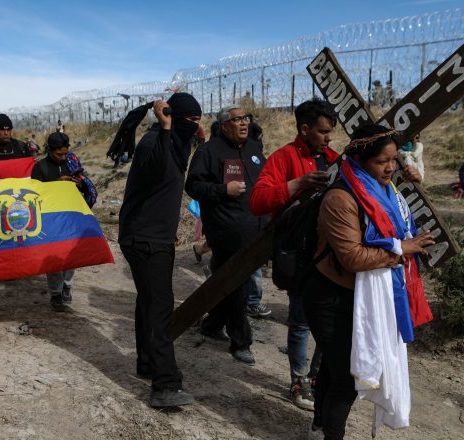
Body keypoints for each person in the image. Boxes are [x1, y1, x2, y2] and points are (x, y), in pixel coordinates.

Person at [301, 125, 435, 439]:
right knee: (349, 378)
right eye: (381, 161)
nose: (390, 167)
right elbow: (352, 258)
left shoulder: (387, 192)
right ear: (360, 160)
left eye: (394, 159)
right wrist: (401, 249)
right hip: (329, 297)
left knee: (335, 371)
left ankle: (319, 428)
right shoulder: (341, 198)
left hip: (361, 296)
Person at [250, 98, 340, 411]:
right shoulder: (283, 157)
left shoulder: (333, 159)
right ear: (304, 129)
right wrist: (297, 184)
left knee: (328, 323)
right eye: (323, 131)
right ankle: (299, 383)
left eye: (331, 132)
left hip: (330, 254)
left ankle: (317, 379)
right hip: (298, 255)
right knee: (301, 322)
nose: (329, 138)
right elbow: (258, 201)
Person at [118, 92, 202, 408]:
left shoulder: (173, 142)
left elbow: (163, 186)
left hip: (155, 237)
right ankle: (165, 385)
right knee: (160, 307)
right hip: (143, 239)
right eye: (191, 121)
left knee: (149, 302)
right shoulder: (153, 143)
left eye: (198, 121)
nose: (195, 127)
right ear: (173, 118)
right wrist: (166, 128)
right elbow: (154, 168)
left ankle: (146, 363)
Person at [185, 105, 267, 365]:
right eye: (237, 120)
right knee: (235, 287)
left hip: (255, 232)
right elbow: (193, 186)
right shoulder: (209, 152)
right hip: (226, 233)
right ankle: (241, 341)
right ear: (224, 126)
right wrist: (223, 190)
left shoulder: (255, 149)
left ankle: (212, 325)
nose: (244, 123)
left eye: (246, 118)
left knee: (225, 283)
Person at [31, 132, 83, 311]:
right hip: (50, 219)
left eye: (65, 154)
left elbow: (83, 185)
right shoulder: (40, 168)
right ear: (49, 150)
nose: (63, 158)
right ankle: (55, 294)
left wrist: (78, 183)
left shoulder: (71, 164)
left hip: (70, 216)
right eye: (59, 154)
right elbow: (35, 195)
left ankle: (67, 285)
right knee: (53, 257)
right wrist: (56, 183)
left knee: (71, 255)